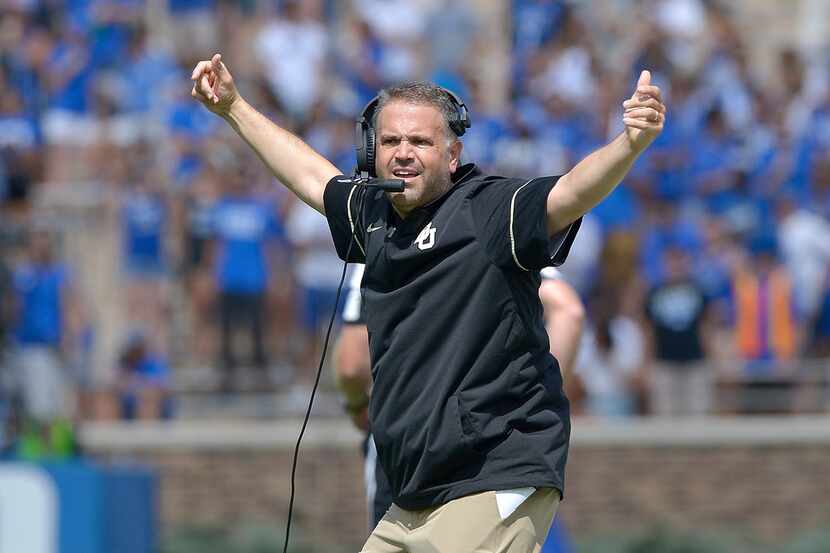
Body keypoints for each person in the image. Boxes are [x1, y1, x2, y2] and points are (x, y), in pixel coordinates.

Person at [191, 53, 664, 552]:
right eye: (391, 141)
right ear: (371, 149)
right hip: (412, 494)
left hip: (492, 471)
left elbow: (569, 192)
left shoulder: (489, 209)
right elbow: (312, 178)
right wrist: (234, 108)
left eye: (420, 141)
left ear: (452, 155)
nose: (403, 153)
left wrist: (630, 143)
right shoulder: (375, 214)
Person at [334, 264, 584, 543]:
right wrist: (529, 398)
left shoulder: (386, 230)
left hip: (411, 447)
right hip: (491, 449)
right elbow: (568, 311)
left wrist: (357, 405)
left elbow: (352, 364)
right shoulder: (486, 227)